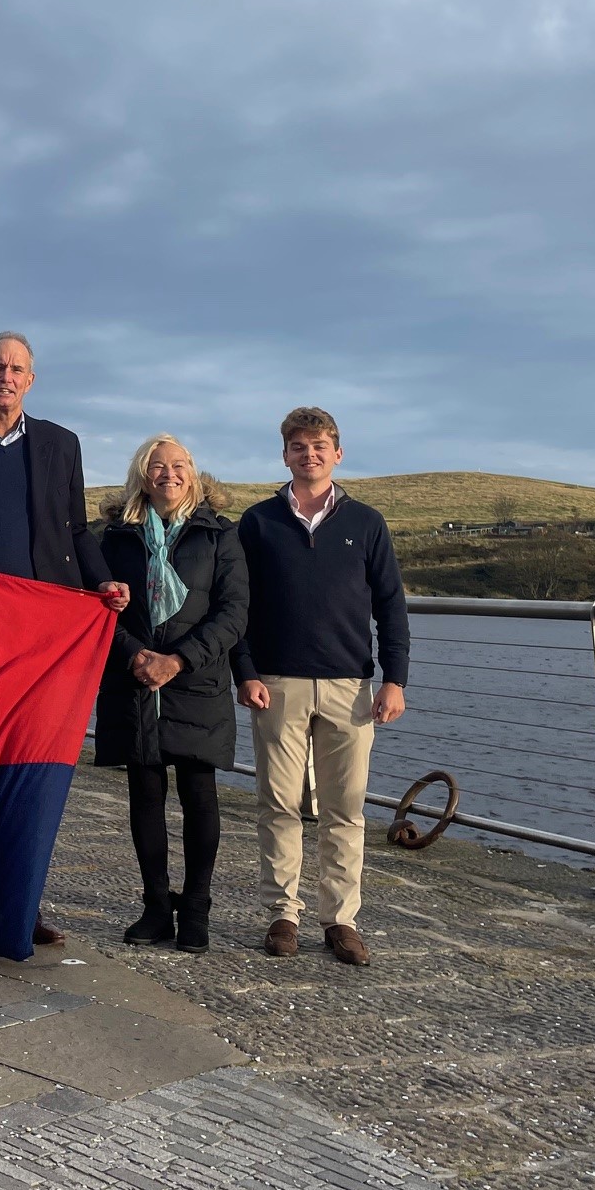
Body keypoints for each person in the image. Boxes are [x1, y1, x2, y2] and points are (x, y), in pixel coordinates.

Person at [0, 330, 129, 946]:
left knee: (29, 773)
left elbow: (78, 533)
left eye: (17, 369)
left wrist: (103, 584)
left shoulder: (62, 445)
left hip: (44, 636)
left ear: (30, 381)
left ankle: (19, 904)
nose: (6, 377)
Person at [234, 406, 408, 967]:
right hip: (277, 684)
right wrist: (246, 671)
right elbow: (237, 606)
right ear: (284, 454)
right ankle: (283, 914)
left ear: (337, 453)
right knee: (278, 804)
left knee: (345, 809)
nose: (309, 454)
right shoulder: (258, 522)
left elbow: (390, 605)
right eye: (298, 447)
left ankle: (341, 920)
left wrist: (395, 679)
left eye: (319, 446)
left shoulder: (367, 523)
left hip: (350, 685)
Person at [92, 435, 248, 953]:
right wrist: (137, 654)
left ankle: (197, 910)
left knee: (200, 796)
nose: (168, 473)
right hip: (134, 679)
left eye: (178, 465)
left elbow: (233, 613)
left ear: (194, 474)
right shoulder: (116, 537)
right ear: (142, 475)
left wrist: (177, 660)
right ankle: (157, 907)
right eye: (156, 466)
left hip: (195, 680)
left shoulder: (220, 536)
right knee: (146, 796)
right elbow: (97, 604)